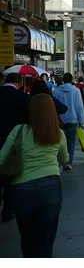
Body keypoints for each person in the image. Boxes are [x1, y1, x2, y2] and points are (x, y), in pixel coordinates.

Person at [0, 94, 68, 257]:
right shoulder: (58, 134)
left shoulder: (19, 130)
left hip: (21, 188)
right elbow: (64, 159)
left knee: (27, 236)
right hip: (50, 187)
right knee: (46, 237)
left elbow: (2, 157)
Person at [0, 73, 30, 224]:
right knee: (11, 175)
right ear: (19, 83)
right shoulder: (23, 98)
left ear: (6, 81)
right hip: (15, 142)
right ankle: (7, 210)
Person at [52, 72, 84, 171]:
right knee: (71, 141)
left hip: (60, 120)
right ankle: (68, 162)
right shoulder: (76, 91)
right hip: (73, 119)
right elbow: (79, 106)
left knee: (60, 141)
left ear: (63, 80)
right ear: (72, 80)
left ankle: (60, 161)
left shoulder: (57, 91)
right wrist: (81, 121)